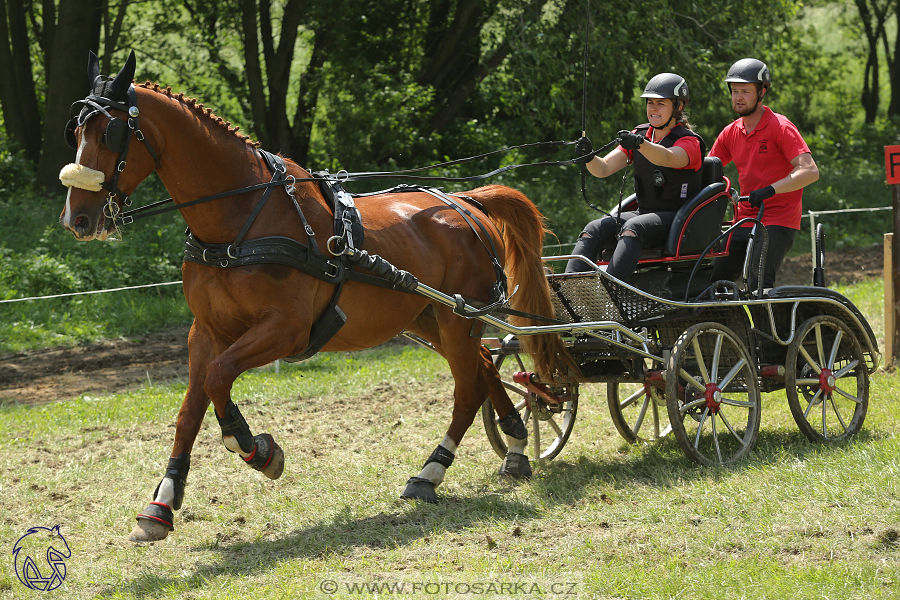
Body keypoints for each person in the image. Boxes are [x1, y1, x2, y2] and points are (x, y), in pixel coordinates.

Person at [566, 73, 706, 279]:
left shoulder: (689, 142)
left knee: (633, 227)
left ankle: (612, 290)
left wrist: (639, 144)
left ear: (678, 107)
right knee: (593, 228)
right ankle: (570, 289)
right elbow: (603, 169)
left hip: (680, 219)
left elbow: (666, 158)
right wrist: (589, 157)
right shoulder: (640, 136)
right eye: (650, 103)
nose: (653, 108)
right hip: (644, 214)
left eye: (661, 103)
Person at [708, 58, 819, 290]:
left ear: (762, 92)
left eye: (745, 91)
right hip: (744, 217)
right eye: (735, 91)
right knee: (714, 282)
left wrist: (770, 190)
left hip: (778, 218)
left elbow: (810, 171)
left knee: (757, 283)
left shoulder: (780, 127)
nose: (738, 97)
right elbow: (709, 170)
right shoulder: (730, 132)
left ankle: (766, 327)